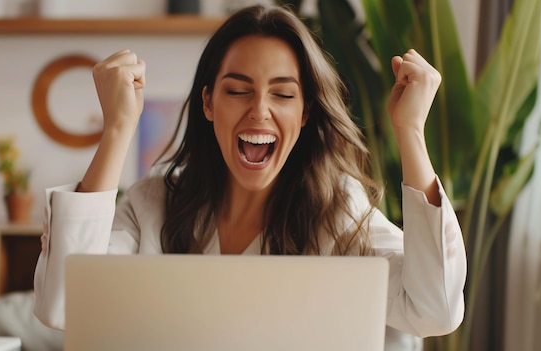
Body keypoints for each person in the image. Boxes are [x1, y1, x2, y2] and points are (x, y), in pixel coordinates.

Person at [33, 3, 466, 343]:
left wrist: (410, 131)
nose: (259, 110)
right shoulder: (152, 206)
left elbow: (434, 310)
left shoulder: (337, 211)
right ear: (208, 104)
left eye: (282, 93)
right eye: (238, 91)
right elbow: (64, 305)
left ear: (304, 113)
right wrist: (117, 128)